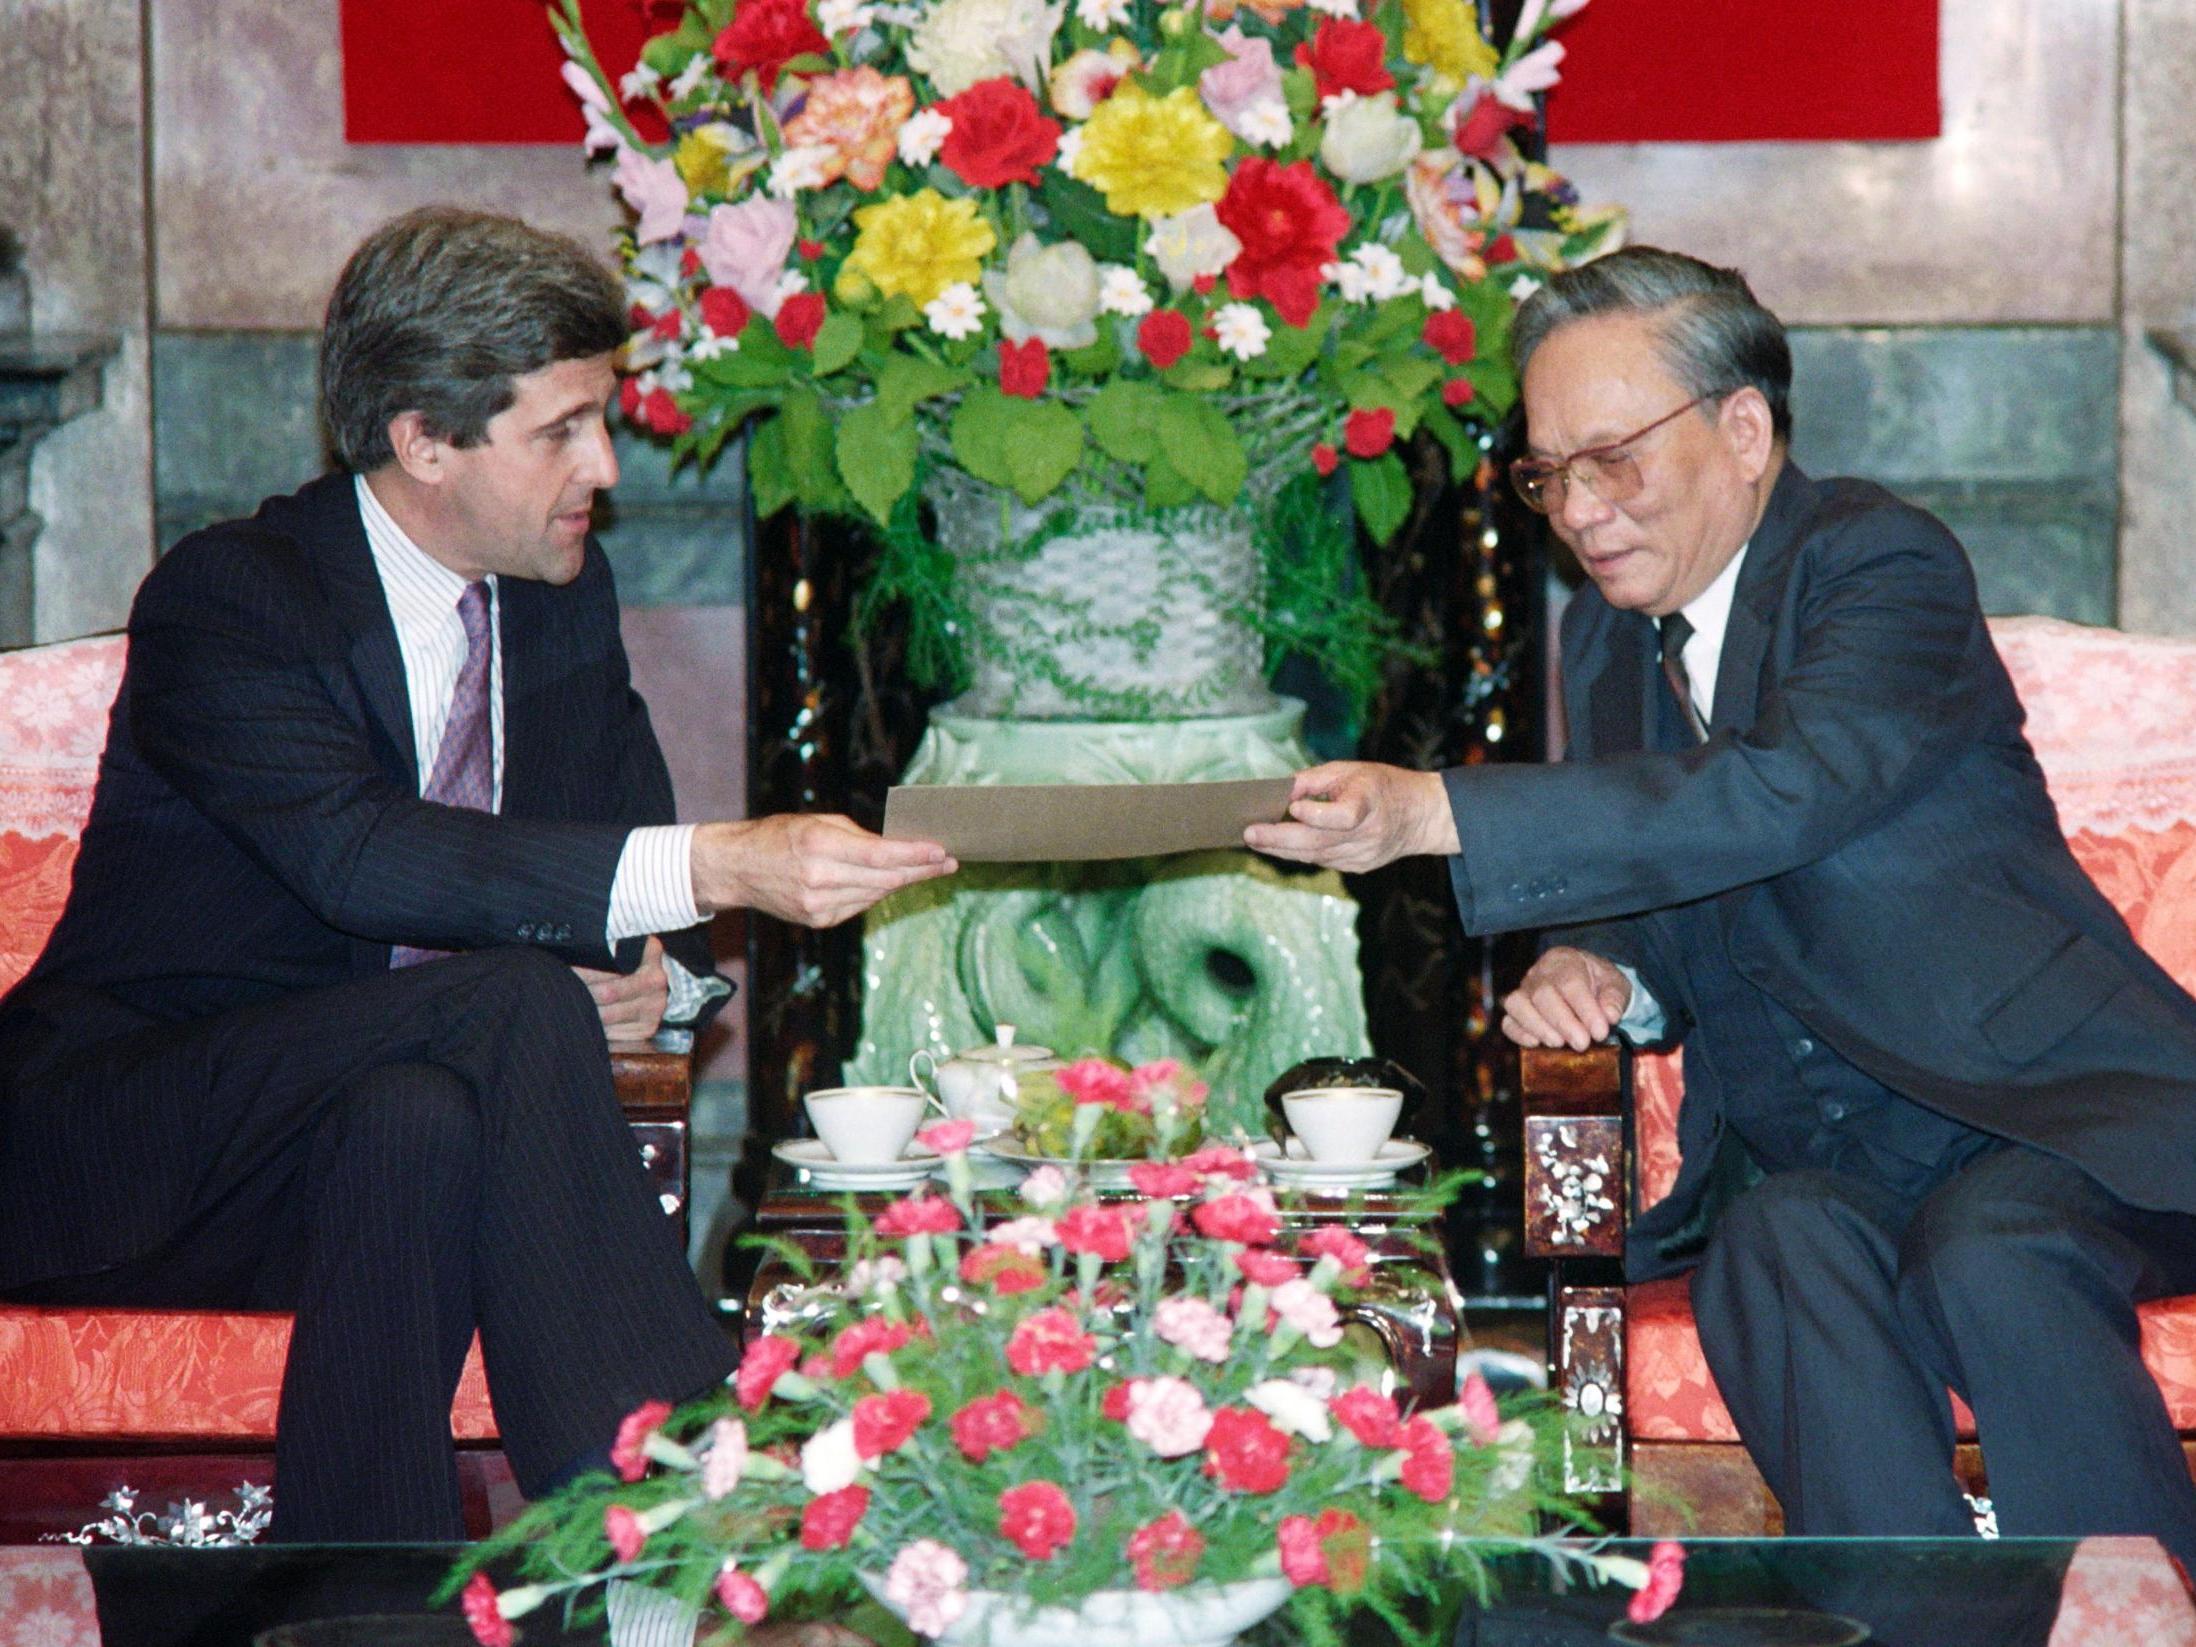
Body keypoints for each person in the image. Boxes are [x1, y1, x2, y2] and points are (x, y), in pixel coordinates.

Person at [0, 207, 955, 1542]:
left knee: (421, 1115)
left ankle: (367, 1589)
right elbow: (361, 858)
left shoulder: (558, 594)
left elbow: (609, 887)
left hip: (354, 1141)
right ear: (424, 442)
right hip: (115, 1141)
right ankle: (668, 1505)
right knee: (507, 1005)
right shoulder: (233, 599)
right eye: (560, 429)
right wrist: (721, 867)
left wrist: (647, 988)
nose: (606, 466)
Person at [1247, 245, 2196, 1564]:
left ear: (1743, 430)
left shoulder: (1878, 564)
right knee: (1768, 1250)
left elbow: (1785, 793)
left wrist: (1436, 810)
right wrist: (1609, 968)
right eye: (1548, 473)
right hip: (1835, 1165)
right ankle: (1899, 1619)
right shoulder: (1607, 638)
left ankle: (2140, 1609)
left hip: (2056, 1111)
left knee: (1997, 1250)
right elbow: (1671, 874)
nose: (1580, 509)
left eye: (1613, 459)